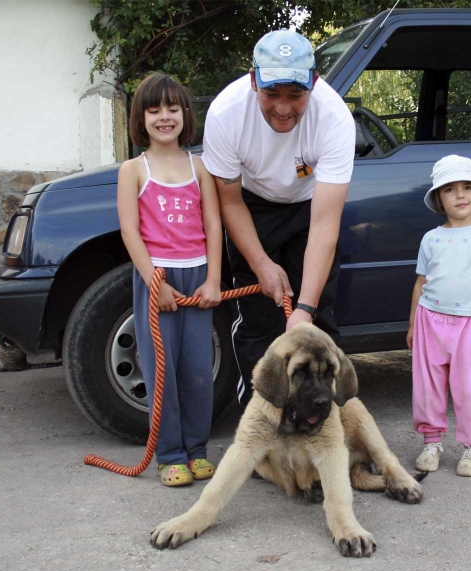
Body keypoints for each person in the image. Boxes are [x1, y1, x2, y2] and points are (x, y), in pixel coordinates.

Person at [202, 29, 356, 405]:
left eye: (295, 95)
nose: (283, 108)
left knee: (317, 324)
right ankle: (262, 443)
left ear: (314, 84)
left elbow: (324, 223)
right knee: (258, 325)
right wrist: (261, 264)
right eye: (272, 93)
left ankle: (324, 441)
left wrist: (304, 308)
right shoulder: (225, 114)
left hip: (309, 208)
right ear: (254, 81)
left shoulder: (334, 118)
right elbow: (230, 202)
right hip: (252, 206)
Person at [117, 73, 222, 486]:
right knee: (163, 370)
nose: (164, 117)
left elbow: (213, 224)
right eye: (154, 109)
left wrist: (213, 279)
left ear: (185, 114)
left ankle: (197, 450)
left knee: (198, 370)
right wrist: (154, 282)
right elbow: (130, 231)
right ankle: (170, 454)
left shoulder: (199, 166)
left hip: (198, 277)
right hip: (155, 276)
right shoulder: (133, 169)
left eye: (172, 108)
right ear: (140, 118)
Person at [406, 155, 471, 477]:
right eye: (450, 189)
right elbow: (420, 285)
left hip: (470, 325)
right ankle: (431, 441)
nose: (460, 194)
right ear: (439, 199)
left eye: (467, 187)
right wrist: (412, 326)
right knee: (427, 385)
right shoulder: (430, 239)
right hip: (429, 320)